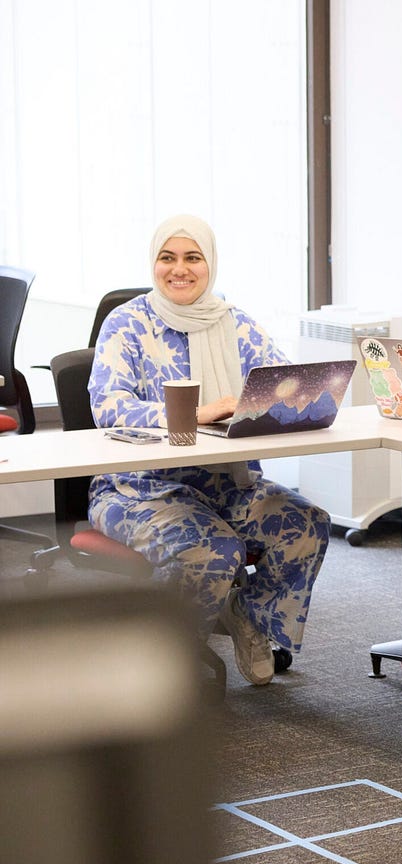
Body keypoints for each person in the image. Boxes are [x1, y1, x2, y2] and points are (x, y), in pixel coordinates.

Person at [89, 214, 331, 687]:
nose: (179, 269)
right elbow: (109, 407)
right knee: (213, 551)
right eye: (168, 258)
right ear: (153, 264)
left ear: (210, 264)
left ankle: (248, 616)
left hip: (230, 481)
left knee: (306, 526)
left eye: (192, 258)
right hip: (140, 490)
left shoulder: (235, 324)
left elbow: (281, 387)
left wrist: (286, 400)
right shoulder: (127, 325)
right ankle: (162, 660)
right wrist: (194, 413)